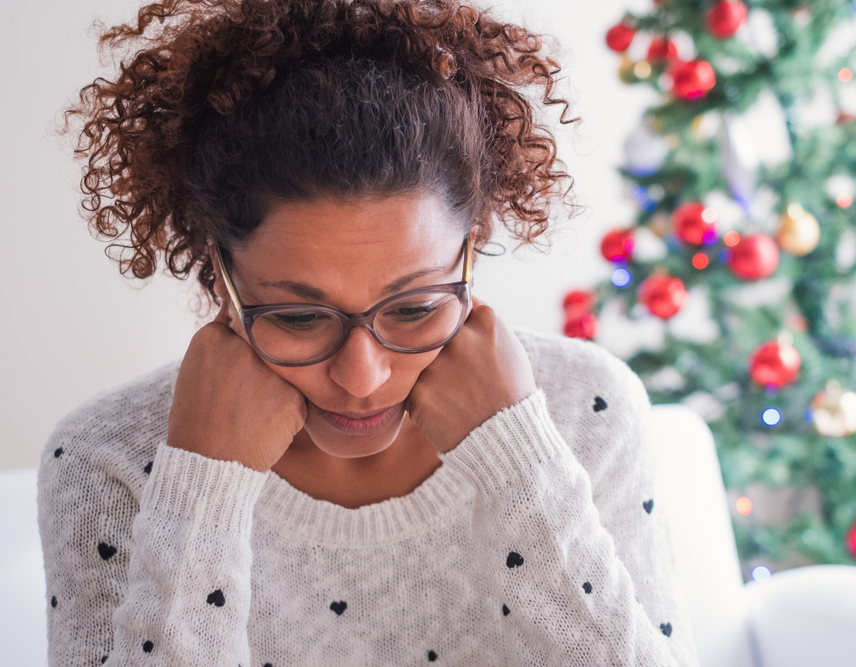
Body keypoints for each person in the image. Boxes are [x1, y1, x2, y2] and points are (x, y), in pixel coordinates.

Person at [38, 0, 700, 665]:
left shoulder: (587, 411)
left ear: (470, 251)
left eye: (413, 308)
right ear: (222, 273)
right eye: (299, 317)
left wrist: (520, 467)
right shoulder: (107, 459)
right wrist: (200, 493)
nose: (362, 376)